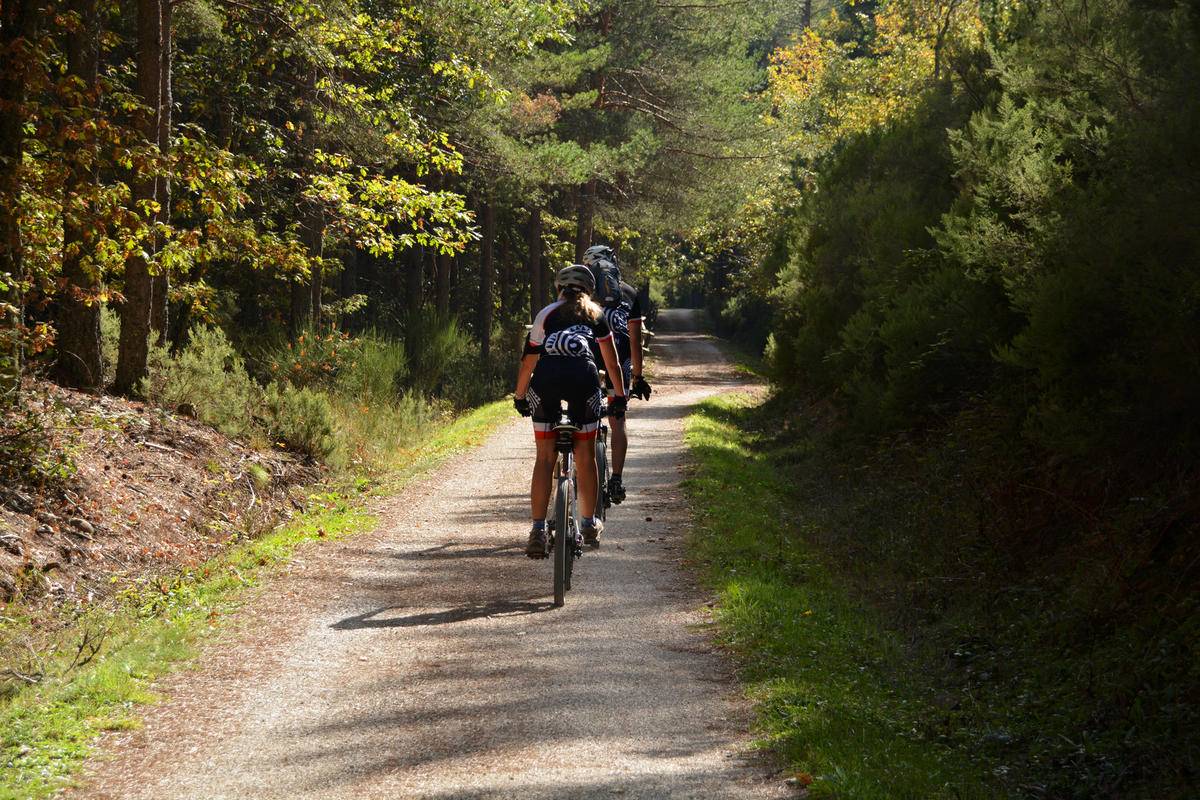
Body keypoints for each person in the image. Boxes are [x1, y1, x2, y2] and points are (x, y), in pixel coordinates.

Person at [513, 264, 628, 558]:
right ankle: (588, 524)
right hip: (583, 380)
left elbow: (529, 360)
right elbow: (611, 363)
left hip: (546, 380)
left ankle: (538, 530)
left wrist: (520, 396)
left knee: (544, 457)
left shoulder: (546, 314)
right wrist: (619, 396)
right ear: (590, 290)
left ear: (559, 288)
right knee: (585, 456)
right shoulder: (597, 315)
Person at [581, 245, 652, 505]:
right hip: (619, 359)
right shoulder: (630, 293)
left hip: (588, 357)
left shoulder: (582, 293)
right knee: (618, 419)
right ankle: (617, 479)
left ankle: (582, 472)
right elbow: (635, 340)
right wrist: (638, 376)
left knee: (583, 416)